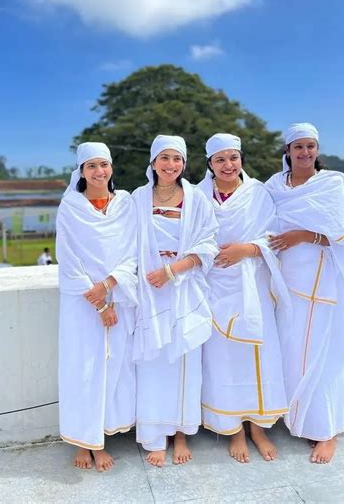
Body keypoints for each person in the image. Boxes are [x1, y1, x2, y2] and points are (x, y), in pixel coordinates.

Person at [265, 123, 344, 464]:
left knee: (323, 356)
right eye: (298, 147)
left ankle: (326, 431)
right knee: (291, 352)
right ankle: (295, 417)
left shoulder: (334, 184)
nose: (304, 153)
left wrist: (307, 236)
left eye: (310, 146)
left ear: (317, 150)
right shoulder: (273, 186)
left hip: (327, 286)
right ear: (287, 151)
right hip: (286, 287)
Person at [198, 133, 289, 464]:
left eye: (233, 157)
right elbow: (189, 239)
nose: (228, 165)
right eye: (220, 159)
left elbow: (273, 237)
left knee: (257, 355)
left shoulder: (258, 194)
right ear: (209, 164)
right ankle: (233, 428)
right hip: (213, 286)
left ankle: (258, 427)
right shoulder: (197, 196)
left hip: (253, 284)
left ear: (241, 160)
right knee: (222, 359)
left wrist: (245, 250)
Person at [133, 135, 218, 467]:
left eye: (177, 159)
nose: (171, 165)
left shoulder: (196, 199)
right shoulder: (137, 198)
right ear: (153, 162)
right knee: (154, 363)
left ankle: (181, 433)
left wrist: (173, 270)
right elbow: (126, 241)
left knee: (184, 362)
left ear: (185, 163)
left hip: (183, 286)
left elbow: (209, 243)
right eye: (164, 158)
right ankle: (155, 435)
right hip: (148, 290)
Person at [56, 142, 138, 472]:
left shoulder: (125, 204)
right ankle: (82, 443)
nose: (99, 172)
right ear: (81, 171)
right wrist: (99, 303)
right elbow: (68, 259)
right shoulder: (70, 207)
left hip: (119, 294)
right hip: (82, 303)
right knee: (83, 368)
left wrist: (109, 287)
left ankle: (102, 435)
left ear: (111, 168)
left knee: (116, 366)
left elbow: (133, 250)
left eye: (103, 165)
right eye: (91, 166)